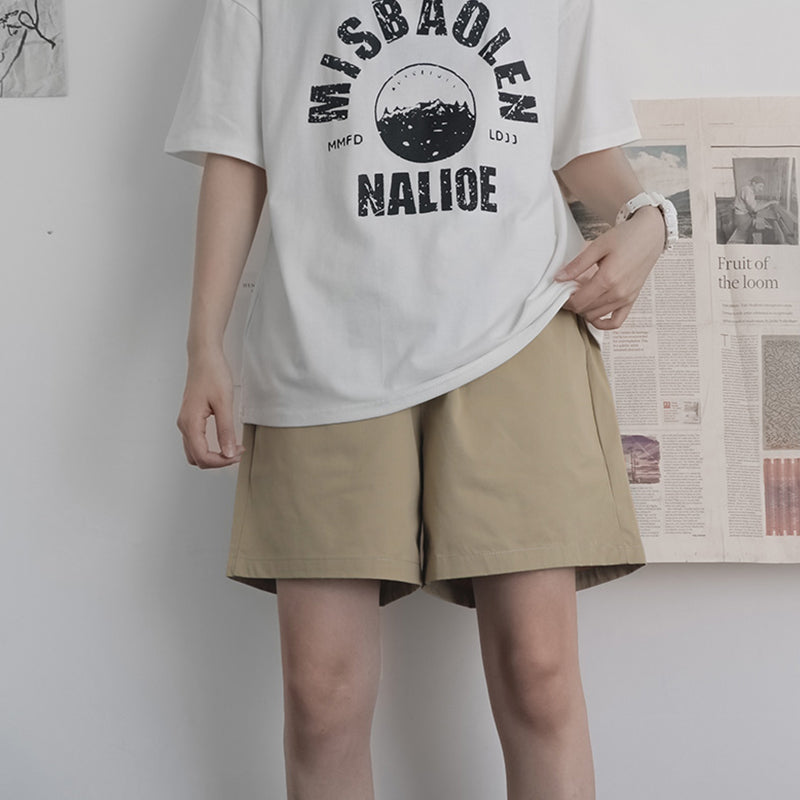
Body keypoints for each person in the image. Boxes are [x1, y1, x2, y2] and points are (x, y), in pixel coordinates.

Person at [164, 1, 670, 797]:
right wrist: (204, 345)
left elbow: (581, 145)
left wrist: (651, 219)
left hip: (518, 332)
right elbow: (237, 150)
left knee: (538, 675)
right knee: (322, 699)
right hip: (323, 340)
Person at [732, 175, 779, 243]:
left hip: (743, 216)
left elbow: (753, 204)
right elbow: (755, 208)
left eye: (762, 187)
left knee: (758, 226)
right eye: (760, 186)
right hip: (742, 218)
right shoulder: (747, 190)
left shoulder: (748, 190)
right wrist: (770, 203)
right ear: (754, 183)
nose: (761, 189)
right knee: (756, 231)